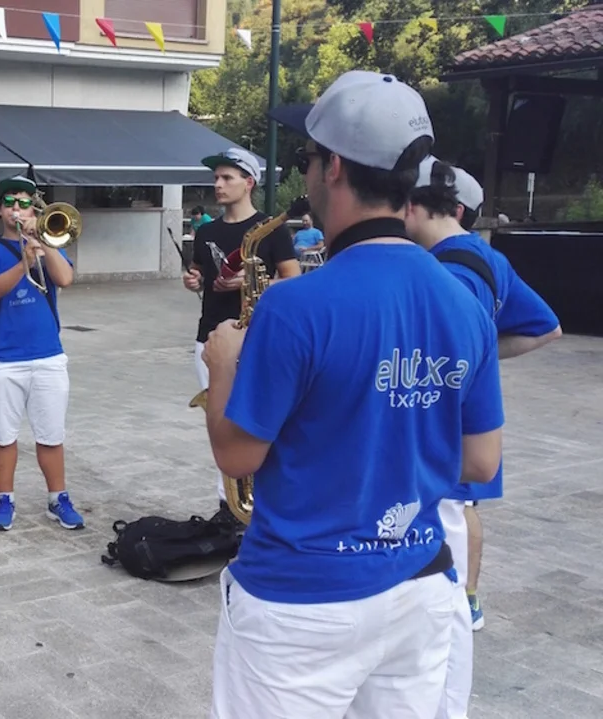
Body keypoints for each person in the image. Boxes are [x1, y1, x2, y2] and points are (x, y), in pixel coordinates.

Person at [203, 70, 505, 718]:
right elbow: (481, 463)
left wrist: (222, 365)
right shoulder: (464, 301)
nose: (307, 172)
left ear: (333, 167)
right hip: (419, 585)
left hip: (301, 598)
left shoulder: (295, 305)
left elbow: (237, 454)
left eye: (307, 158)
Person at [404, 155, 561, 719]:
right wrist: (480, 360)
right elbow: (547, 328)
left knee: (441, 602)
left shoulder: (446, 275)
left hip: (440, 446)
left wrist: (466, 363)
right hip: (462, 433)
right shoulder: (489, 260)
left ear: (413, 206)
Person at [182, 147, 300, 531]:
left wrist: (252, 283)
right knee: (221, 427)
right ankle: (228, 507)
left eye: (226, 177)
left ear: (248, 182)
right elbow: (199, 274)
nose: (218, 184)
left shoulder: (270, 229)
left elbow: (293, 280)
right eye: (215, 178)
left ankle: (262, 507)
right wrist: (193, 281)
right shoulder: (206, 232)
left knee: (256, 425)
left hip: (257, 339)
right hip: (212, 338)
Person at [0, 175, 83, 532]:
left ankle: (58, 498)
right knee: (3, 435)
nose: (16, 209)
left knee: (51, 434)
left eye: (24, 203)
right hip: (4, 357)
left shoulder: (47, 242)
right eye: (10, 203)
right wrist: (23, 261)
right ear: (0, 210)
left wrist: (43, 243)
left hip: (48, 353)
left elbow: (64, 279)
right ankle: (5, 499)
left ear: (34, 209)